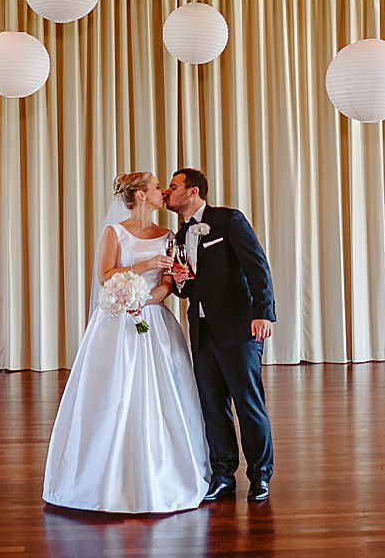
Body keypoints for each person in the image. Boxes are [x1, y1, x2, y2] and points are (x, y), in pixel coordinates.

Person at [42, 172, 209, 513]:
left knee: (164, 396)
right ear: (141, 196)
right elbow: (105, 274)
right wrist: (141, 269)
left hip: (153, 318)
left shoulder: (167, 235)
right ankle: (104, 473)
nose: (162, 191)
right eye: (155, 186)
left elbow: (167, 283)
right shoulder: (114, 232)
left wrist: (146, 301)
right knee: (113, 394)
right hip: (116, 323)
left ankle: (166, 467)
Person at [163, 167, 276, 503]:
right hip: (202, 332)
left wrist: (263, 313)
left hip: (238, 329)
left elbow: (257, 266)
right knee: (212, 407)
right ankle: (223, 475)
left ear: (193, 191)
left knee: (248, 404)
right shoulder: (181, 235)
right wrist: (182, 280)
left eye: (173, 186)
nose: (168, 192)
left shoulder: (229, 220)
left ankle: (260, 476)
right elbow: (188, 291)